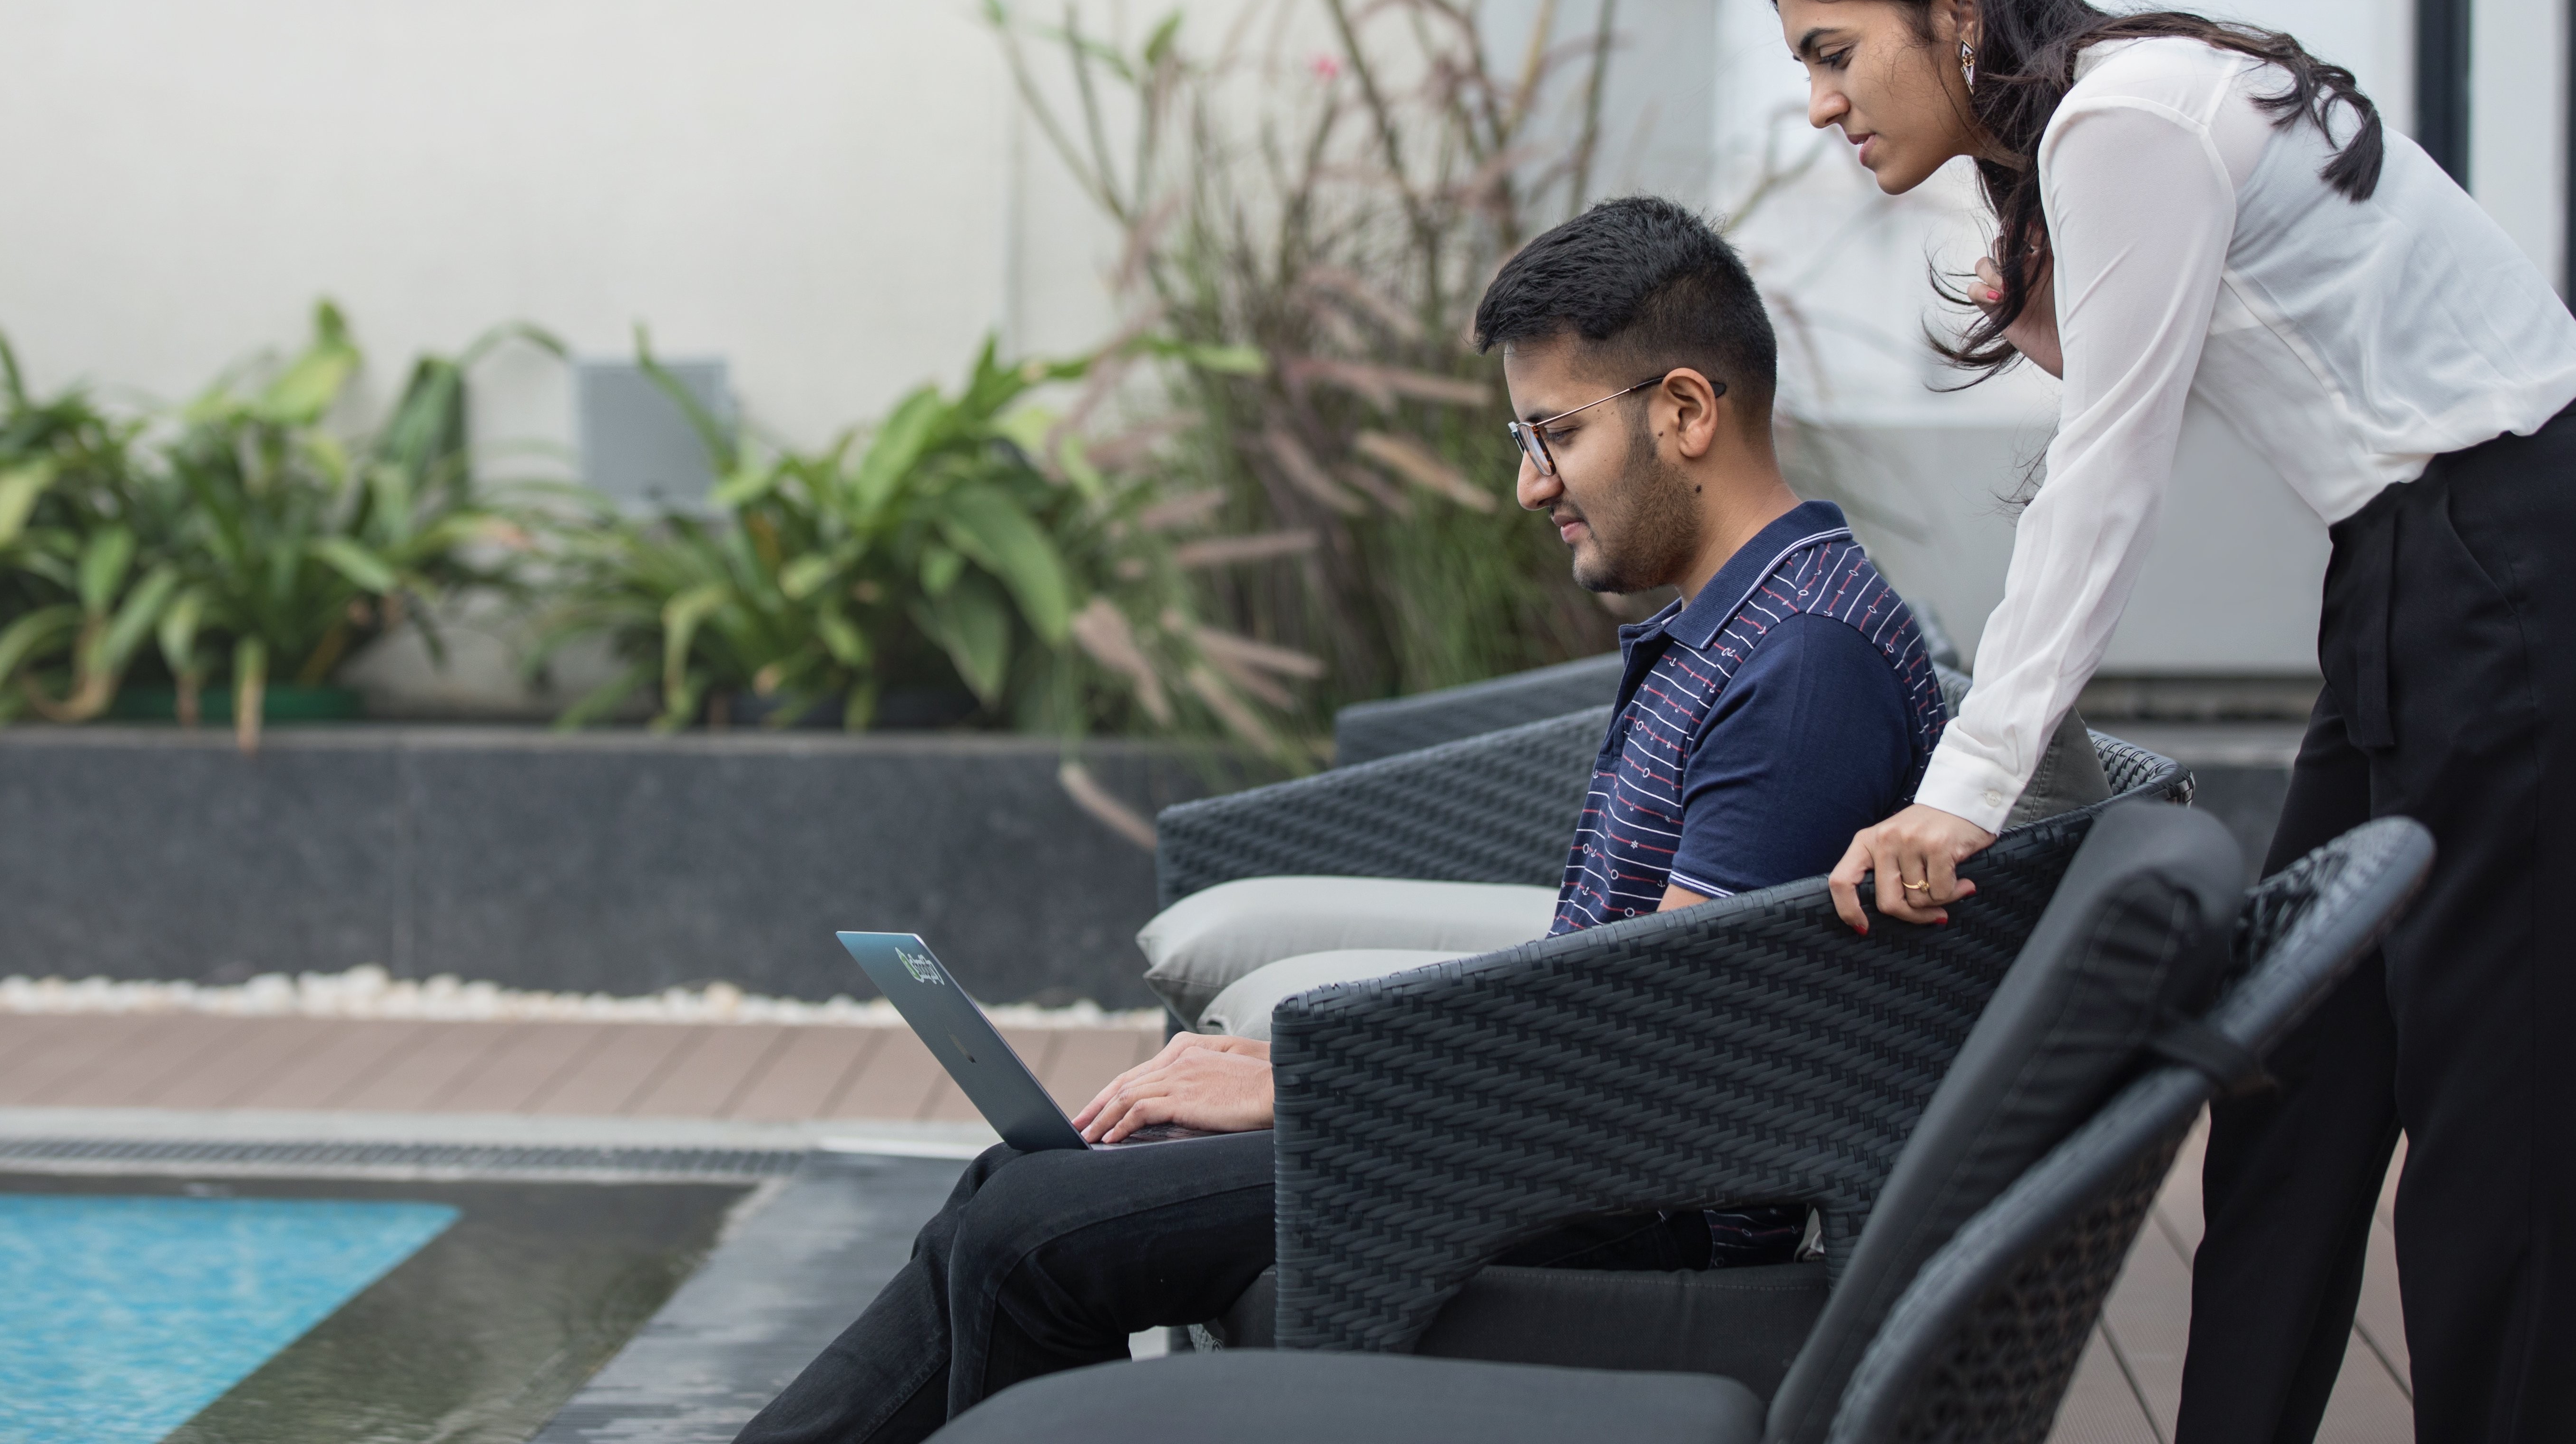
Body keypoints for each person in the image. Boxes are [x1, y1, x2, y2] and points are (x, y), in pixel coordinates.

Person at [1762, 0, 2576, 1444]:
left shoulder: (2122, 116)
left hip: (2527, 580)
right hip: (2420, 578)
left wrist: (1962, 788)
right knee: (2294, 1093)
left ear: (1956, 9)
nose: (1820, 103)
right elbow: (2166, 370)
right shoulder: (2110, 116)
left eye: (1835, 53)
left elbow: (2103, 476)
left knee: (2491, 1127)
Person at [734, 196, 1947, 1444]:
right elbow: (1613, 995)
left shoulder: (1803, 665)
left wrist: (1309, 1083)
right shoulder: (1745, 627)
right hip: (1560, 1142)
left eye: (1554, 435)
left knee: (1027, 1236)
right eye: (1518, 437)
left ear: (1687, 411)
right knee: (1023, 1184)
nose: (1531, 487)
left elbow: (1656, 1052)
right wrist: (1303, 1069)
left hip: (1627, 1196)